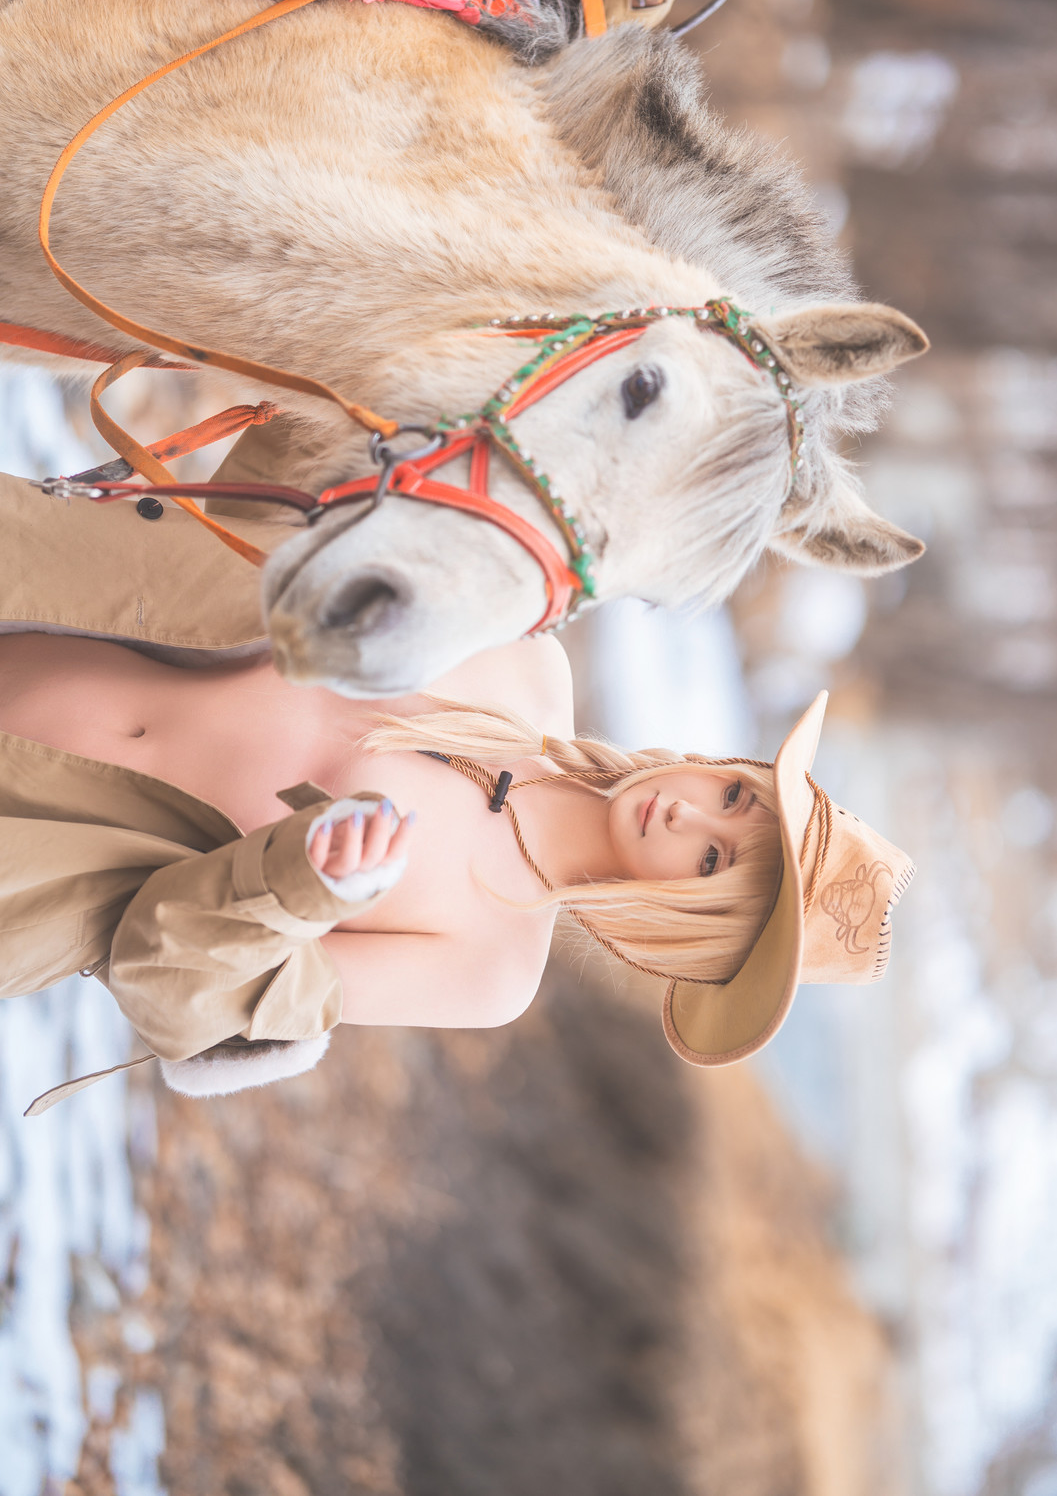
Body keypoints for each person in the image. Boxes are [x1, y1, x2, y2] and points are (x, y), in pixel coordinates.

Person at [0, 470, 914, 1108]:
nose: (687, 809)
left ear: (682, 927)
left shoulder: (488, 970)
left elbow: (172, 984)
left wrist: (296, 888)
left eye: (710, 858)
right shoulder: (524, 662)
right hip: (38, 590)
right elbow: (287, 520)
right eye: (736, 799)